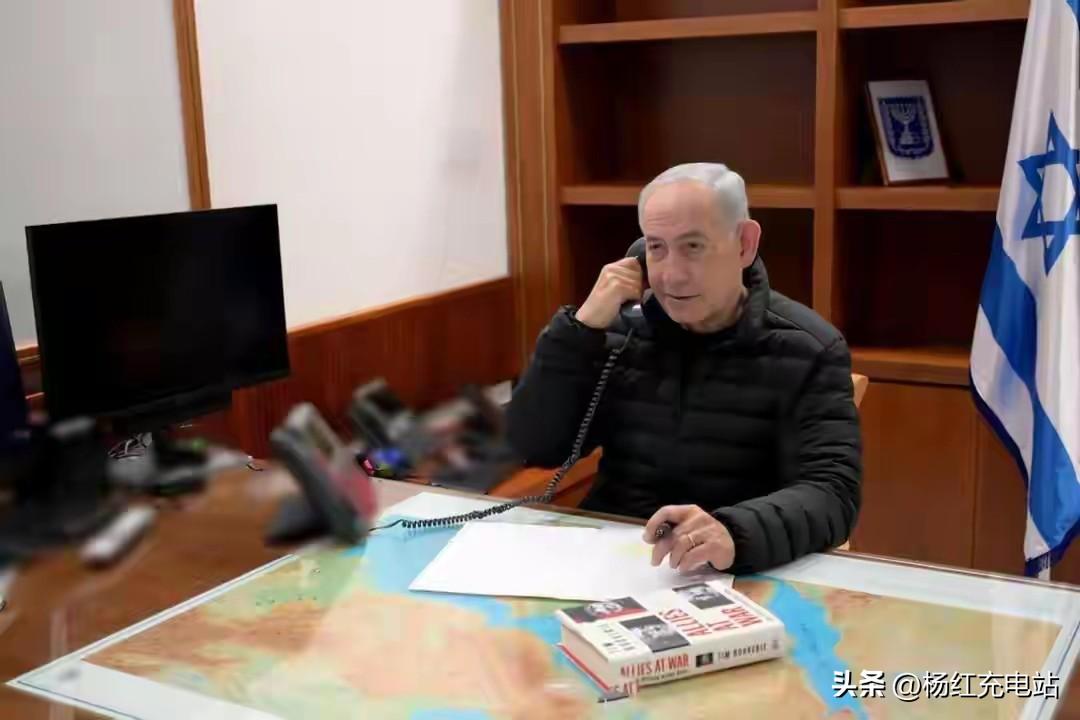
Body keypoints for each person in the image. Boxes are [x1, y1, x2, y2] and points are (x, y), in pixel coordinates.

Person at [506, 163, 862, 576]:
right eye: (656, 248)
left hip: (732, 566)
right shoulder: (622, 331)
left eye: (693, 246)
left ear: (744, 244)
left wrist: (734, 532)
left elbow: (832, 493)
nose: (671, 276)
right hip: (614, 558)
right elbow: (533, 446)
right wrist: (578, 332)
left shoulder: (809, 347)